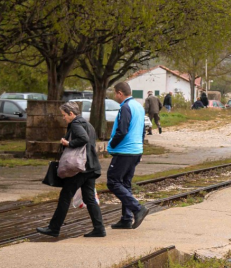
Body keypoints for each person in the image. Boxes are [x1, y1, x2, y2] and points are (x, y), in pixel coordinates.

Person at [37, 102, 105, 238]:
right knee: (89, 198)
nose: (63, 118)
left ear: (71, 114)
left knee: (65, 196)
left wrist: (68, 143)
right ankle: (99, 229)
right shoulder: (88, 124)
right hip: (91, 167)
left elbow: (83, 139)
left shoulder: (75, 124)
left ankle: (54, 228)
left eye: (64, 115)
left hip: (80, 168)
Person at [106, 81, 149, 229]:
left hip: (124, 151)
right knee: (125, 183)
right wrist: (141, 147)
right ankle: (126, 218)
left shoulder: (125, 107)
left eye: (114, 93)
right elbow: (142, 130)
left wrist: (111, 145)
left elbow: (122, 130)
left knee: (113, 181)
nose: (114, 96)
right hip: (136, 150)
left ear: (119, 93)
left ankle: (137, 208)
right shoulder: (139, 106)